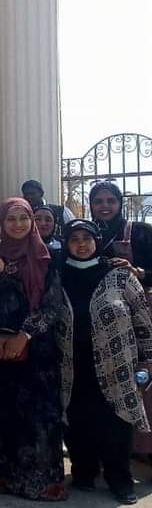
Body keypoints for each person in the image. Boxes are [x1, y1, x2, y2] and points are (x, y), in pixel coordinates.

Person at [0, 198, 69, 501]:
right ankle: (4, 478)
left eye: (23, 219)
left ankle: (42, 483)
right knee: (3, 413)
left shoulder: (46, 256)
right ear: (1, 222)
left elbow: (52, 305)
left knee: (38, 417)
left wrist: (24, 335)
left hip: (36, 352)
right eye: (11, 219)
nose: (18, 225)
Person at [58, 219, 151, 505]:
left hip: (116, 364)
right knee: (77, 418)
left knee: (116, 421)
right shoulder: (58, 276)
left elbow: (142, 320)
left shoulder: (119, 275)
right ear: (66, 244)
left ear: (97, 241)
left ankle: (119, 480)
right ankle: (84, 471)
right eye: (74, 239)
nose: (81, 245)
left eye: (87, 238)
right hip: (72, 364)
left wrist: (147, 360)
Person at [90, 182, 152, 456]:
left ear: (119, 203)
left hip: (140, 318)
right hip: (102, 324)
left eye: (110, 201)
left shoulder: (140, 232)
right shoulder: (86, 234)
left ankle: (144, 447)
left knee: (143, 380)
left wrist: (139, 272)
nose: (104, 206)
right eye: (98, 201)